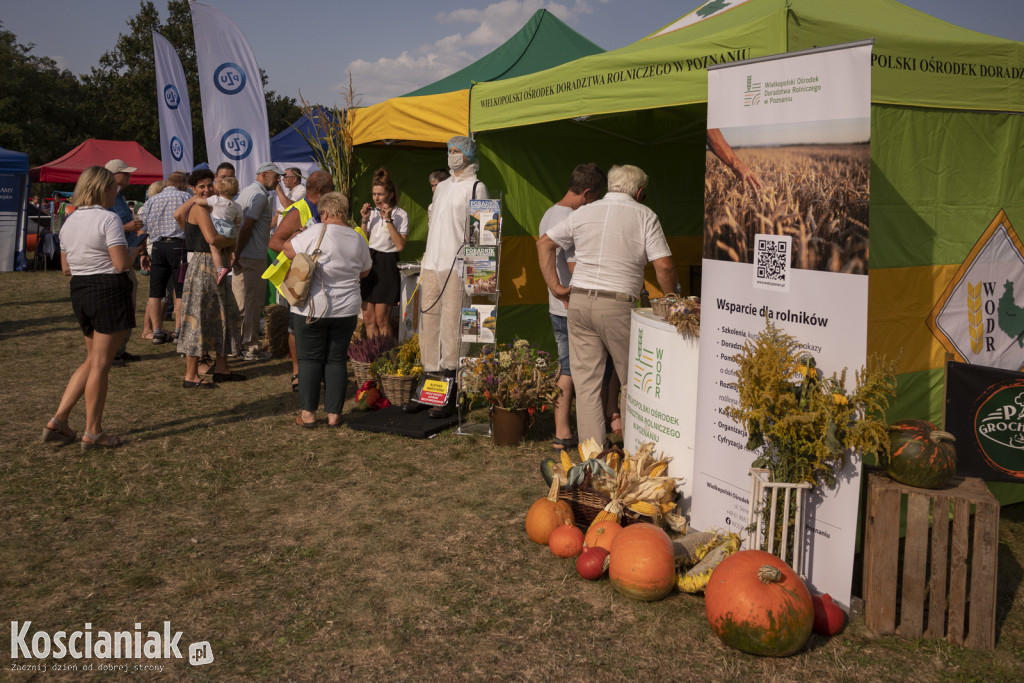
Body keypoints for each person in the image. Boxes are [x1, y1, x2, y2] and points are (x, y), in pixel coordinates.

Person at [537, 164, 678, 445]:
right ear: (639, 192)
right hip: (617, 305)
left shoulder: (584, 212)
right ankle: (632, 449)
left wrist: (556, 288)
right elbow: (663, 265)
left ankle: (593, 456)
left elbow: (544, 244)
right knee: (631, 381)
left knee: (587, 385)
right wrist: (673, 298)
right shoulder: (645, 214)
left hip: (579, 301)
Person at [43, 166, 143, 450]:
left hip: (81, 289)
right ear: (102, 189)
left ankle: (59, 420)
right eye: (113, 187)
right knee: (101, 364)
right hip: (108, 290)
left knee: (92, 360)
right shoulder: (109, 219)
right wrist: (138, 249)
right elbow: (121, 264)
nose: (116, 192)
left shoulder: (70, 221)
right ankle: (93, 432)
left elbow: (65, 268)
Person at [405, 137, 488, 419]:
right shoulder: (440, 187)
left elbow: (484, 233)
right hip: (433, 263)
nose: (452, 156)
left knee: (454, 324)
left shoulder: (477, 186)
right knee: (429, 322)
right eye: (449, 151)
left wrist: (478, 274)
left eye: (456, 151)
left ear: (468, 154)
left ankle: (452, 387)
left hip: (458, 266)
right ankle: (428, 384)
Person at [284, 192, 371, 428]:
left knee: (309, 359)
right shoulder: (357, 238)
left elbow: (287, 250)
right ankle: (334, 415)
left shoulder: (314, 232)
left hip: (313, 307)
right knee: (336, 361)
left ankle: (309, 415)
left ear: (324, 213)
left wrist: (297, 234)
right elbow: (364, 271)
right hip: (347, 309)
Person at [538, 163, 607, 450]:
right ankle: (564, 431)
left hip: (557, 304)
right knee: (570, 369)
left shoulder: (549, 212)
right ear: (587, 193)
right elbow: (575, 266)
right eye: (596, 198)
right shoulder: (573, 219)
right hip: (570, 304)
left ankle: (564, 430)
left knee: (565, 365)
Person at [174, 169, 245, 388]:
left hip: (214, 264)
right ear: (193, 189)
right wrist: (233, 243)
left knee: (226, 314)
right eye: (201, 187)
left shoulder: (210, 206)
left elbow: (178, 216)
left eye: (208, 185)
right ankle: (191, 375)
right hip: (205, 265)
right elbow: (212, 238)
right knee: (198, 316)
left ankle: (221, 368)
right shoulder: (199, 208)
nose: (206, 190)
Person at [269, 170, 338, 392]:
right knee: (295, 327)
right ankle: (297, 372)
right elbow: (275, 243)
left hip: (324, 277)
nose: (334, 191)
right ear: (321, 190)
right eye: (332, 188)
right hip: (301, 278)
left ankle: (320, 369)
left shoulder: (328, 208)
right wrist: (295, 242)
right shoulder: (298, 209)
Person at [232, 162, 282, 361]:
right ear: (263, 174)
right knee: (252, 303)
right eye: (276, 176)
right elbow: (246, 227)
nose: (279, 180)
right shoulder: (260, 195)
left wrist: (235, 253)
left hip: (244, 254)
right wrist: (238, 251)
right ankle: (251, 347)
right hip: (251, 255)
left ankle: (238, 344)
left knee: (241, 302)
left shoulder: (246, 192)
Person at [138, 171, 189, 344]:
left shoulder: (151, 200)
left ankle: (157, 330)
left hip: (158, 247)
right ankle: (178, 330)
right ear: (182, 185)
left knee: (155, 292)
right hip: (179, 246)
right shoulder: (185, 197)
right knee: (180, 291)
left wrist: (143, 252)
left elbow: (141, 226)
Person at [104, 159, 146, 366]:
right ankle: (112, 352)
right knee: (120, 305)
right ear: (114, 175)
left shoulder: (120, 197)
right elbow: (104, 229)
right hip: (115, 259)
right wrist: (127, 227)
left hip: (127, 255)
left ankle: (120, 350)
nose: (129, 176)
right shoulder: (106, 198)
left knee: (128, 303)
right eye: (125, 173)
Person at [358, 167, 408, 338]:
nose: (376, 198)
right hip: (370, 261)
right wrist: (364, 220)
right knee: (368, 319)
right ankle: (373, 358)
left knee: (381, 319)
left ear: (391, 194)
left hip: (387, 263)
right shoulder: (371, 213)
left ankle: (385, 357)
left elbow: (400, 245)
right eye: (374, 194)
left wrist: (388, 220)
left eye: (380, 194)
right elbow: (363, 241)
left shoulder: (401, 215)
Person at [197, 176, 242, 285]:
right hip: (230, 230)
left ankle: (220, 269)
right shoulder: (237, 206)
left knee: (215, 250)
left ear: (220, 190)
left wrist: (196, 199)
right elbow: (237, 221)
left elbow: (200, 202)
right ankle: (230, 263)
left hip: (218, 228)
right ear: (236, 192)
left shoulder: (215, 200)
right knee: (230, 249)